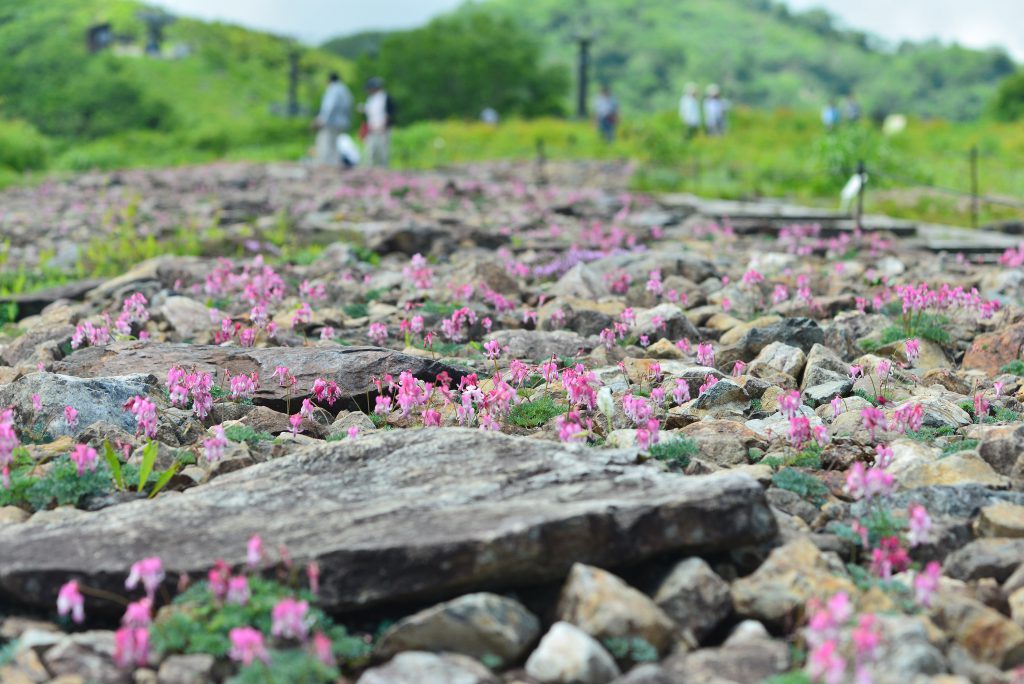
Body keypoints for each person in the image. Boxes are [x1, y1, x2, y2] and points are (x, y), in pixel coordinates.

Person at [312, 72, 352, 166]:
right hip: (342, 121)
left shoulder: (333, 89)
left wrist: (321, 119)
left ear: (329, 80)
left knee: (326, 143)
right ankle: (335, 163)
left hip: (331, 122)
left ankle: (326, 164)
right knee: (335, 144)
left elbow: (329, 106)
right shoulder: (344, 89)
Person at [362, 77, 394, 168]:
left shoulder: (386, 97)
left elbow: (389, 113)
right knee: (370, 151)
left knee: (383, 151)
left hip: (383, 128)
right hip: (372, 128)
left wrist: (384, 125)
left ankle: (383, 169)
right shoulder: (370, 99)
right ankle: (371, 169)